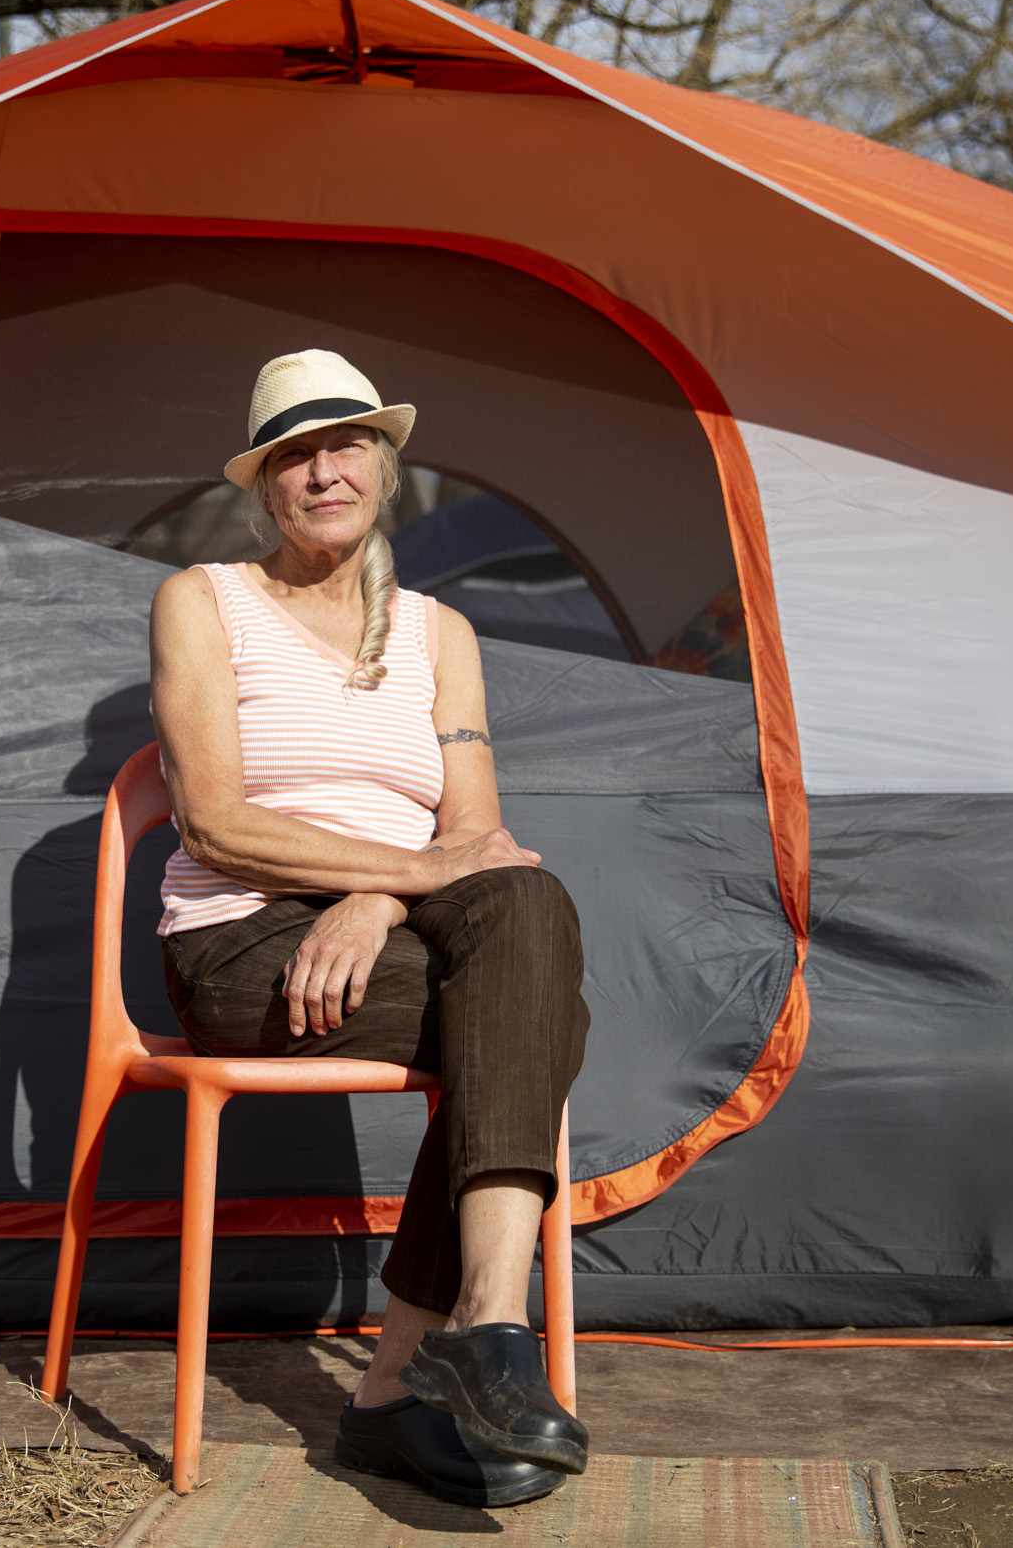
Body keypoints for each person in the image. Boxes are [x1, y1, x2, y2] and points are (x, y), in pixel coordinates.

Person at [147, 348, 592, 1509]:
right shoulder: (202, 602)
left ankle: (480, 1333)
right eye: (293, 453)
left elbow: (481, 841)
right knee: (531, 1019)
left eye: (344, 443)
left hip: (394, 925)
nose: (322, 469)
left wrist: (377, 892)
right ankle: (411, 1381)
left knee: (528, 912)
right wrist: (402, 869)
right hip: (244, 941)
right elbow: (218, 822)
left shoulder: (441, 634)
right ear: (264, 487)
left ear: (384, 468)